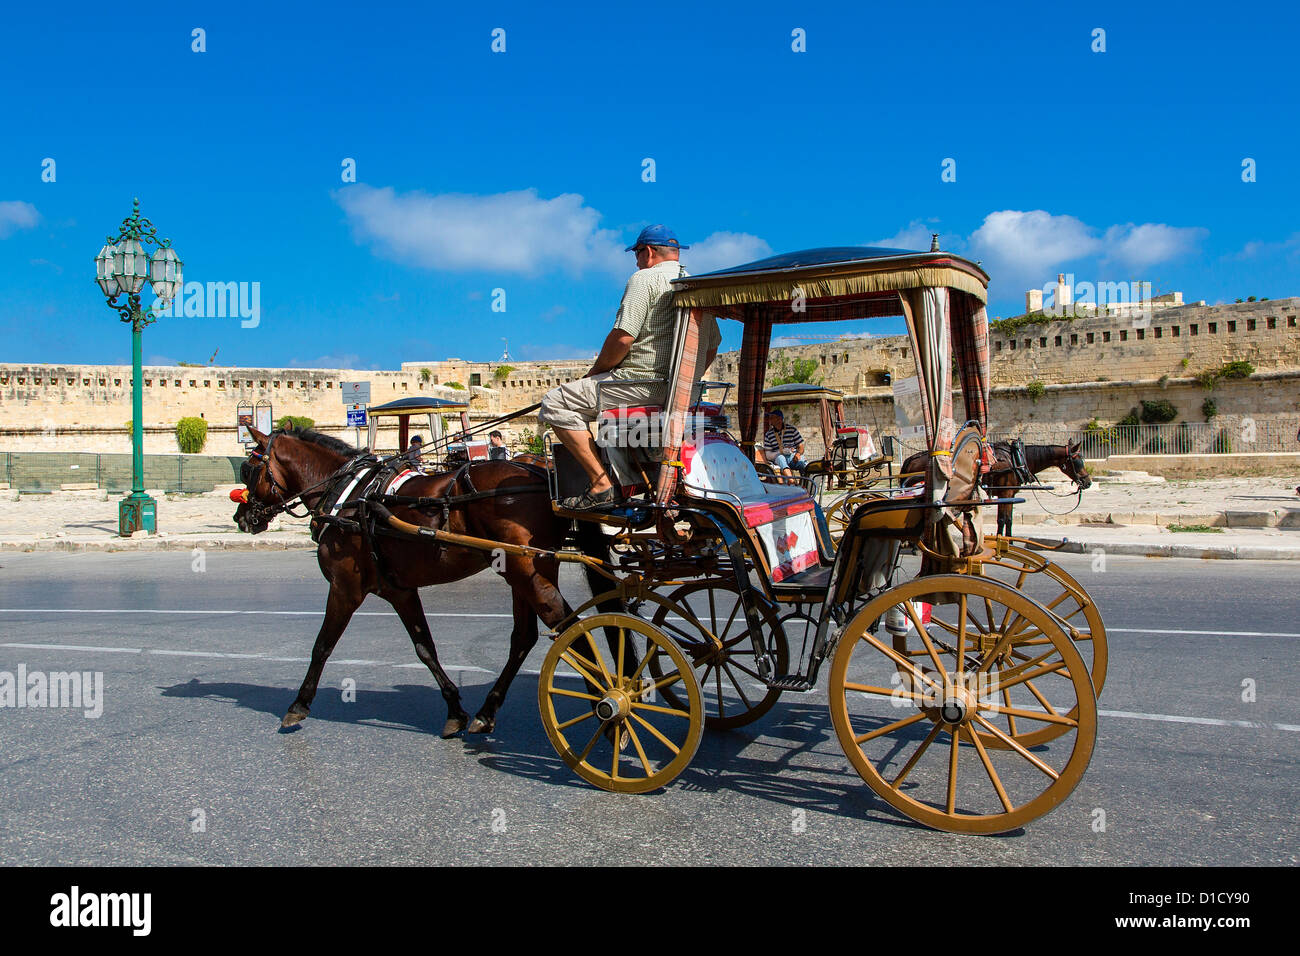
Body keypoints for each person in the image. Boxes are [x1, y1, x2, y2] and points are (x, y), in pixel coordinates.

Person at [538, 224, 721, 509]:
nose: (635, 261)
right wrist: (686, 380)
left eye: (636, 254)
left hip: (639, 385)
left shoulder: (644, 279)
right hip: (685, 393)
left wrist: (596, 371)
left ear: (647, 252)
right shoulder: (697, 285)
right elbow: (712, 346)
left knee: (555, 402)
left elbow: (623, 337)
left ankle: (601, 485)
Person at [761, 410, 806, 482]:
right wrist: (781, 451)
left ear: (779, 419)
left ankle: (807, 484)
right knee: (780, 458)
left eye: (772, 417)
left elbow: (801, 446)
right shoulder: (768, 435)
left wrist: (798, 454)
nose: (770, 420)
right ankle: (792, 482)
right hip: (778, 459)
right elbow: (768, 455)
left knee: (803, 462)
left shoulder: (792, 430)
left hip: (792, 457)